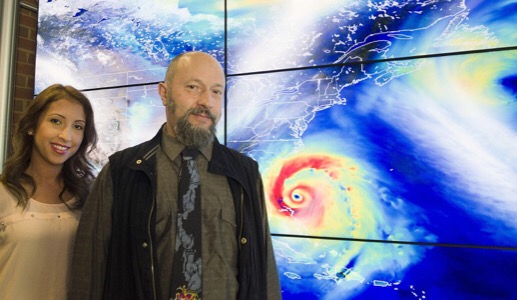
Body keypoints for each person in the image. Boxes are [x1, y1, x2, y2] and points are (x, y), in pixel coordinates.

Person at [70, 51, 281, 300]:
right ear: (164, 93)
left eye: (216, 91)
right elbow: (89, 269)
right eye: (193, 87)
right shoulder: (122, 171)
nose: (206, 101)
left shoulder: (245, 173)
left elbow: (263, 268)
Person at [0, 84, 98, 300]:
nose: (66, 136)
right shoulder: (4, 192)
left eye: (78, 127)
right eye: (56, 121)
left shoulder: (88, 195)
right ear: (32, 126)